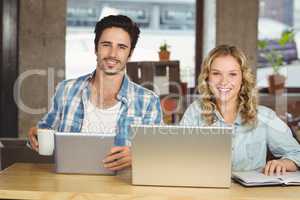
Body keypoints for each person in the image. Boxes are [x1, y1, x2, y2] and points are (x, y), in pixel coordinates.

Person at [28, 15, 162, 171]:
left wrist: (139, 155)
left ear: (130, 53)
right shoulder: (66, 90)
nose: (112, 53)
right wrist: (35, 136)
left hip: (122, 190)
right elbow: (45, 134)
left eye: (121, 47)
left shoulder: (148, 101)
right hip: (70, 185)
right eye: (106, 45)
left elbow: (159, 153)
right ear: (95, 48)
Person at [180, 44, 300, 175]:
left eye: (232, 74)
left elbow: (296, 153)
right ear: (207, 77)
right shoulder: (195, 111)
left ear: (243, 78)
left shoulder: (265, 116)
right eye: (216, 73)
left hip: (250, 194)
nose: (223, 81)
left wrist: (283, 163)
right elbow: (176, 155)